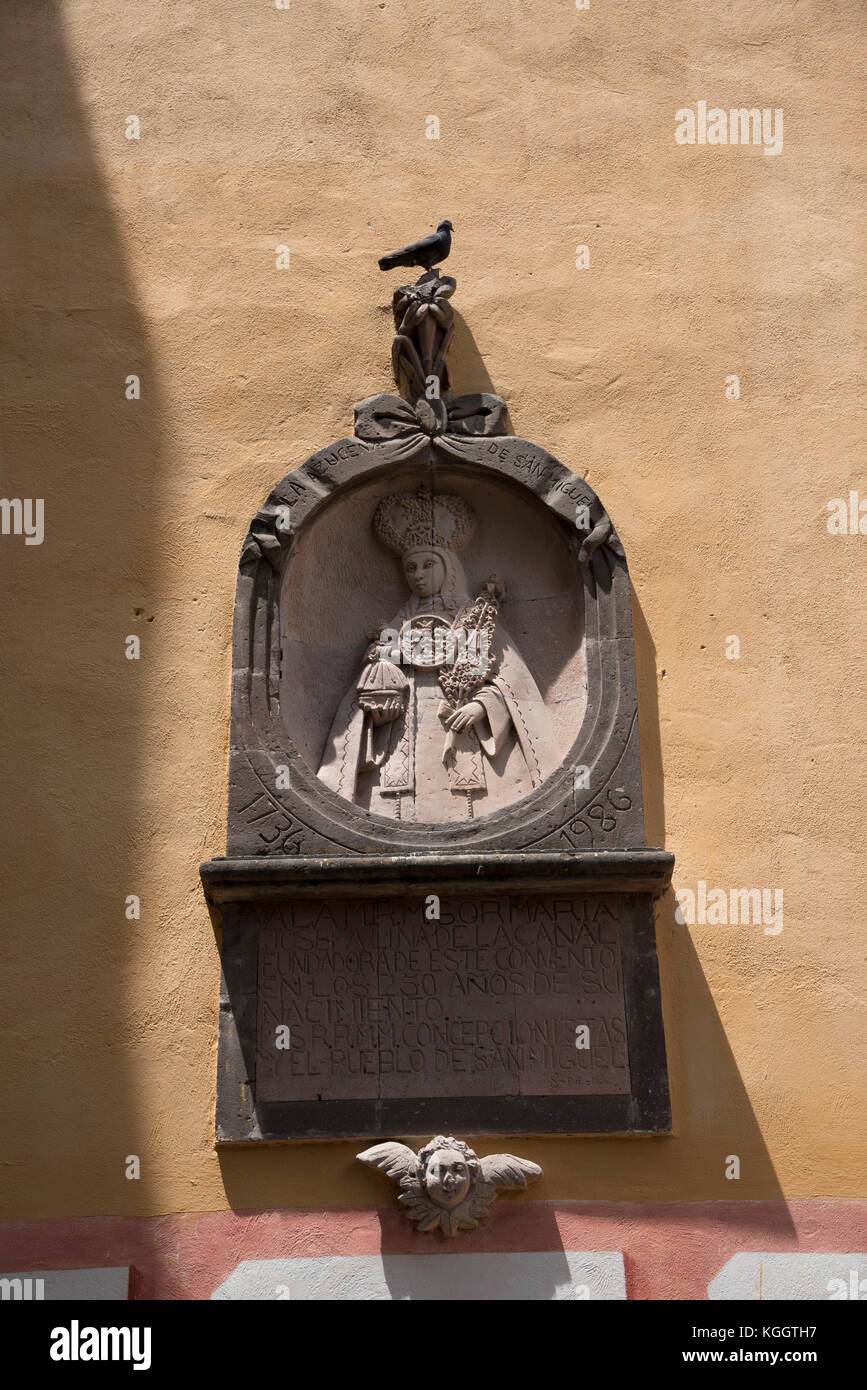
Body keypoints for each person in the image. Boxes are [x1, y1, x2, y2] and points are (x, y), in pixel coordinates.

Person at [318, 486, 560, 822]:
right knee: (400, 810)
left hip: (459, 732)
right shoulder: (396, 625)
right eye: (411, 568)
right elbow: (374, 678)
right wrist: (377, 707)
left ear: (448, 566)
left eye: (427, 564)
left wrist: (480, 707)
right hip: (403, 736)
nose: (418, 575)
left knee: (465, 808)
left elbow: (503, 681)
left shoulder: (472, 619)